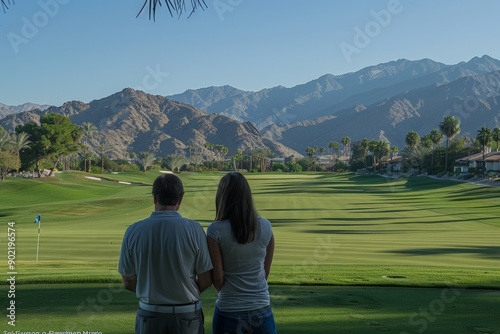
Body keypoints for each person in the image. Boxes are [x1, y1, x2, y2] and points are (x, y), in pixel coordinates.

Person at [118, 174, 213, 334]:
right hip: (187, 317)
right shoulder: (195, 229)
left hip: (149, 316)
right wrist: (181, 293)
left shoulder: (133, 231)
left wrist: (152, 292)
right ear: (180, 199)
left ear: (155, 198)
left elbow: (128, 281)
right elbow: (206, 279)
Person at [207, 172, 276, 334]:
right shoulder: (266, 226)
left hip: (228, 310)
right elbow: (265, 272)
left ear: (222, 196)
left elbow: (217, 279)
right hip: (261, 309)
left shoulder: (215, 230)